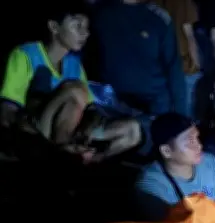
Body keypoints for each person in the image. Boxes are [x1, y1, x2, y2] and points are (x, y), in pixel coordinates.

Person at [0, 2, 141, 161]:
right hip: (37, 131)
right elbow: (8, 110)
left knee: (132, 130)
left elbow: (90, 106)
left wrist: (89, 125)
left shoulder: (73, 63)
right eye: (77, 26)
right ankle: (65, 152)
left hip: (71, 130)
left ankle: (86, 158)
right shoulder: (25, 55)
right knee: (73, 91)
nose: (85, 33)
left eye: (86, 27)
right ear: (54, 27)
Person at [135, 112, 215, 222]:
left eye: (197, 138)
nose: (199, 146)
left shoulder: (209, 163)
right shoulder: (152, 186)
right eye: (190, 142)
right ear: (167, 151)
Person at [89, 0, 187, 117]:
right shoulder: (100, 13)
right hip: (112, 105)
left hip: (154, 108)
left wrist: (182, 116)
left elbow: (174, 70)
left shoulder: (159, 18)